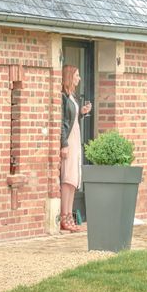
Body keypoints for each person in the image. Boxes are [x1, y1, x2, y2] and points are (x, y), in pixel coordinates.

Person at [59, 65, 92, 233]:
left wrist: (82, 112)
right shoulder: (63, 97)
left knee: (73, 180)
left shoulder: (73, 96)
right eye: (77, 75)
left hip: (75, 138)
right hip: (69, 141)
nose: (79, 78)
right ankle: (64, 215)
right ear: (69, 76)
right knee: (68, 178)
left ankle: (69, 215)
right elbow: (62, 122)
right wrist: (64, 144)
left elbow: (72, 118)